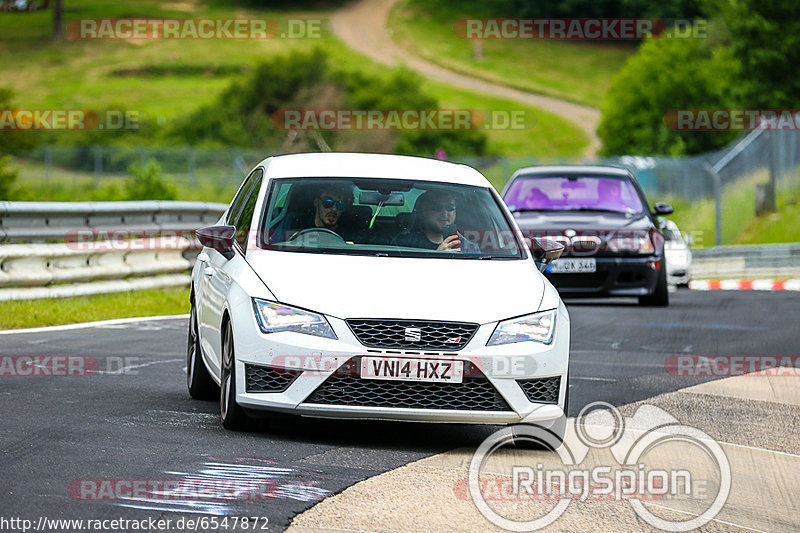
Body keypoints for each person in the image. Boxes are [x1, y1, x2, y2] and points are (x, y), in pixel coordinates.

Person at [270, 182, 359, 244]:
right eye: (328, 203)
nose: (334, 209)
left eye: (340, 205)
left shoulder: (350, 235)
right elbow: (272, 246)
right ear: (316, 202)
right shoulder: (293, 222)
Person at [395, 190, 478, 252]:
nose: (444, 212)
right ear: (423, 211)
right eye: (437, 208)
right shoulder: (404, 243)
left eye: (450, 207)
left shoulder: (468, 247)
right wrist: (438, 255)